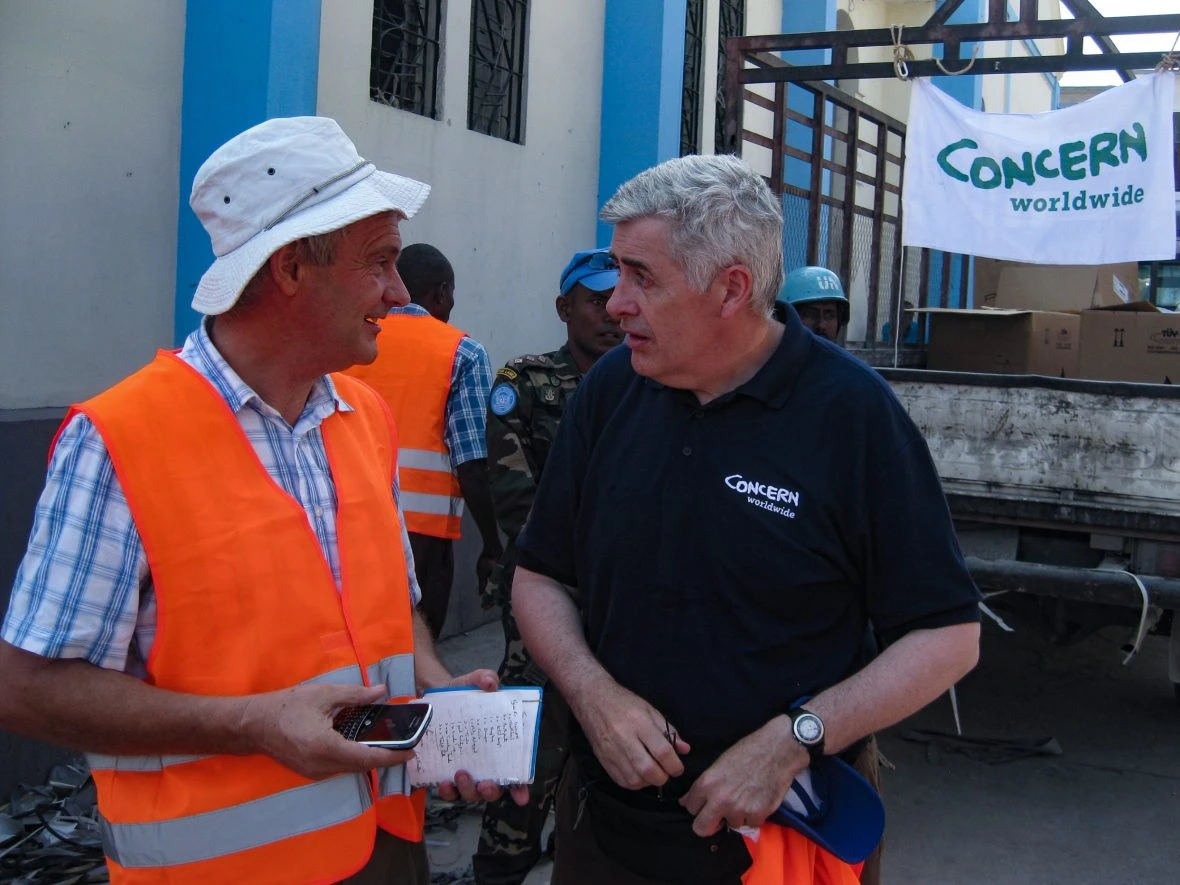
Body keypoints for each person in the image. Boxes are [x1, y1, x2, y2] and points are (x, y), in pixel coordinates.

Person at [0, 116, 524, 885]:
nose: (400, 291)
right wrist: (250, 725)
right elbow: (25, 689)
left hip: (387, 844)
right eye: (379, 261)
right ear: (289, 269)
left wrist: (436, 690)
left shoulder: (362, 417)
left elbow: (389, 614)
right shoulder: (119, 440)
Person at [511, 154, 982, 885]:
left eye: (643, 277)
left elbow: (948, 637)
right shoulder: (610, 392)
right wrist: (592, 693)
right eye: (615, 273)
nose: (615, 305)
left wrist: (795, 739)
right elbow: (540, 575)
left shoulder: (851, 416)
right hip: (606, 836)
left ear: (731, 288)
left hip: (784, 840)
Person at [473, 247, 622, 885]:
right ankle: (502, 863)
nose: (612, 314)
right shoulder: (527, 383)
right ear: (564, 308)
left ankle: (580, 852)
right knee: (530, 735)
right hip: (544, 589)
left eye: (619, 298)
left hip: (620, 595)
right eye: (595, 300)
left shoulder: (651, 381)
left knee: (609, 735)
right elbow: (514, 498)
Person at [344, 243, 502, 638]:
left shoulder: (349, 341)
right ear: (442, 292)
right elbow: (472, 458)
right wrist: (492, 542)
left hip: (344, 520)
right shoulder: (461, 351)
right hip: (421, 534)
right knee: (416, 649)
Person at [776, 265, 850, 342]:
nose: (821, 325)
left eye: (830, 315)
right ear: (784, 318)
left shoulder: (839, 354)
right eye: (809, 315)